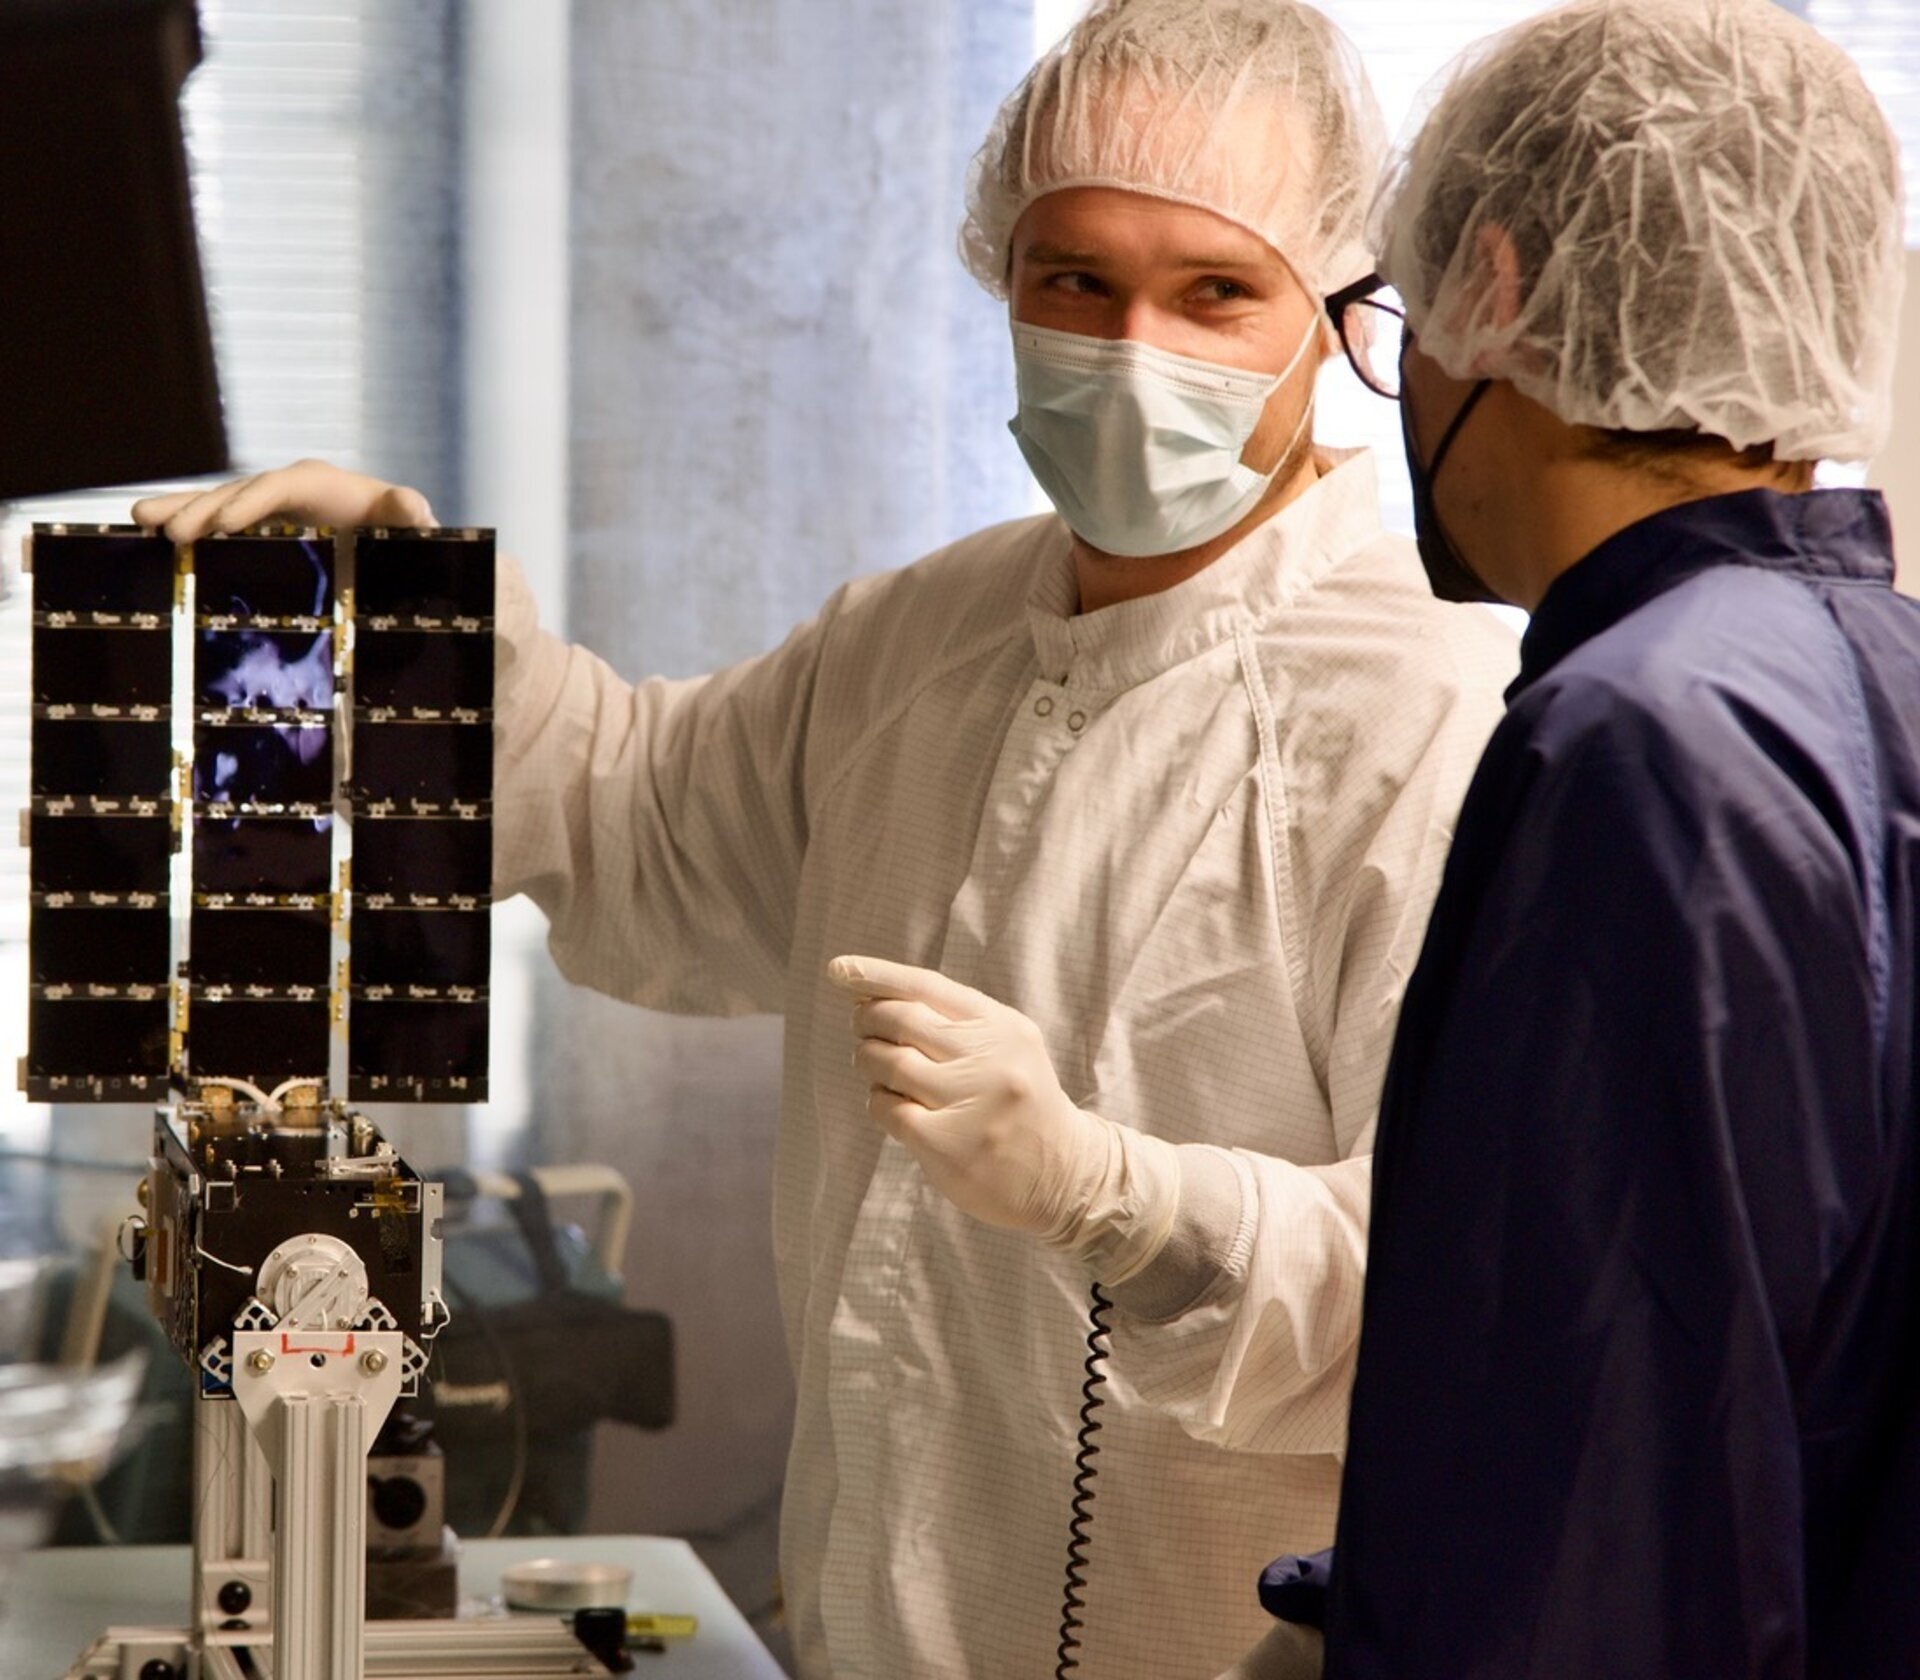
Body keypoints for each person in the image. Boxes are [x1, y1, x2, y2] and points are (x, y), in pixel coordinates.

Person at [135, 3, 1517, 1673]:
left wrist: (1125, 1202)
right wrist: (407, 624)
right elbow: (634, 813)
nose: (1132, 347)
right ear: (997, 274)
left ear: (1335, 314)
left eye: (1213, 291)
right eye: (1072, 278)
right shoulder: (924, 638)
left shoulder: (1437, 723)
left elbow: (1476, 1299)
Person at [1271, 2, 1914, 1676]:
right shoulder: (1881, 684)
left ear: (1491, 291)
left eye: (1392, 319)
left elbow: (1594, 1495)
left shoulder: (1636, 743)